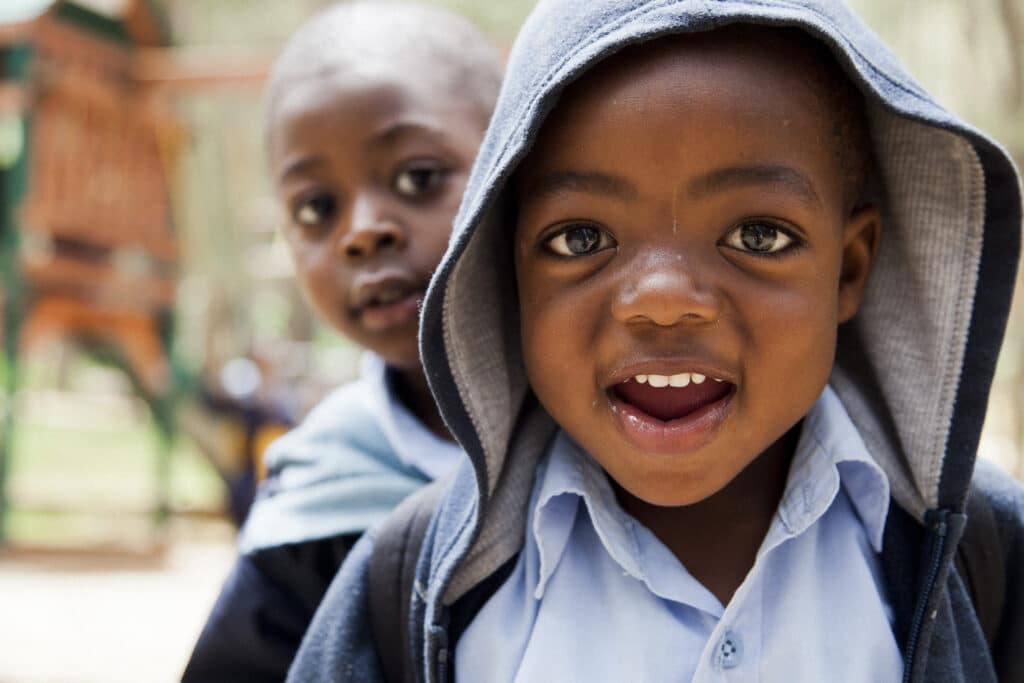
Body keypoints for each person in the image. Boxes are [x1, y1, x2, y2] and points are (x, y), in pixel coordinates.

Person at [289, 0, 1024, 681]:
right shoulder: (410, 582)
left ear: (850, 266)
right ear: (504, 270)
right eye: (581, 237)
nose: (663, 302)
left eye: (757, 235)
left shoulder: (981, 551)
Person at [181, 3, 501, 681]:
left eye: (417, 177)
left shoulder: (630, 427)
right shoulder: (315, 504)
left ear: (515, 162)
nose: (362, 231)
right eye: (316, 207)